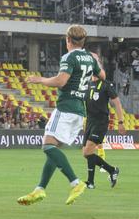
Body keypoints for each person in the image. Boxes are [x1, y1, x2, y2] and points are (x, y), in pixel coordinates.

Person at [17, 25, 105, 206]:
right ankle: (39, 189)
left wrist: (39, 79)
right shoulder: (90, 58)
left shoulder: (70, 57)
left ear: (68, 40)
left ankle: (75, 182)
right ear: (83, 41)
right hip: (80, 111)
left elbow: (61, 81)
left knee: (47, 147)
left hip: (66, 107)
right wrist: (97, 61)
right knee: (53, 149)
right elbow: (102, 75)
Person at [83, 67, 123, 189]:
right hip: (89, 121)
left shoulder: (106, 85)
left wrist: (120, 121)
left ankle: (91, 182)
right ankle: (112, 170)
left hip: (100, 122)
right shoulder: (87, 84)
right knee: (86, 153)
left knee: (88, 150)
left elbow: (116, 102)